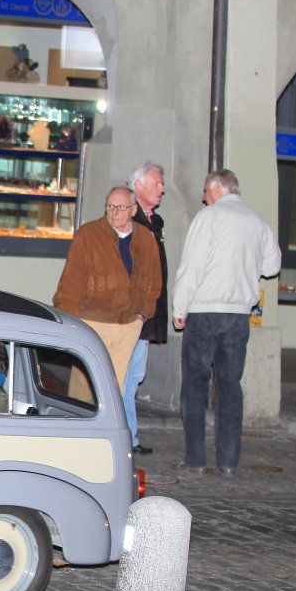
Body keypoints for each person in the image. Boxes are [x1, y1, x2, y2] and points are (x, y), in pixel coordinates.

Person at [171, 168, 282, 476]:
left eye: (206, 191)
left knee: (195, 385)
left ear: (217, 189)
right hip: (238, 315)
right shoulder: (257, 221)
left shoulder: (209, 217)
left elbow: (192, 266)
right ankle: (229, 461)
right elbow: (272, 266)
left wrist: (180, 306)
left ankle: (195, 459)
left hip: (205, 311)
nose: (203, 197)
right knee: (231, 387)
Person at [52, 185, 162, 398]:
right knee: (84, 386)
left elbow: (155, 281)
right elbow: (70, 282)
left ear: (133, 210)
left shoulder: (146, 239)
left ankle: (109, 421)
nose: (114, 212)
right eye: (110, 207)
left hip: (129, 324)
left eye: (120, 207)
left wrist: (143, 313)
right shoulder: (88, 235)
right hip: (93, 322)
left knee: (114, 387)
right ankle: (80, 420)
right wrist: (70, 322)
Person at [122, 162, 167, 455]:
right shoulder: (129, 220)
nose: (162, 188)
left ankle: (130, 436)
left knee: (134, 376)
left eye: (161, 184)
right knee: (127, 376)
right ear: (138, 186)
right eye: (156, 183)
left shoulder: (154, 222)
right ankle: (126, 438)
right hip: (132, 313)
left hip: (146, 314)